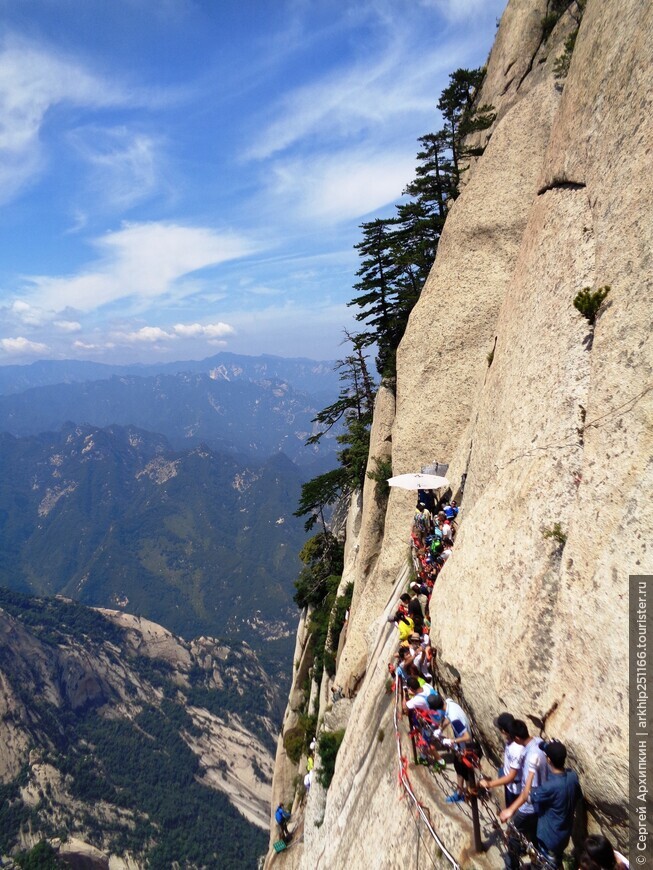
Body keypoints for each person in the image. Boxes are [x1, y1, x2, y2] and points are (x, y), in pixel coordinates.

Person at [499, 720, 549, 868]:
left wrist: (510, 810)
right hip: (541, 802)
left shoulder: (530, 759)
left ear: (517, 738)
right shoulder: (538, 742)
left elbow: (528, 793)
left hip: (530, 807)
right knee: (533, 836)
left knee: (513, 833)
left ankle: (512, 866)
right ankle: (536, 864)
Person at [530, 740, 582, 865]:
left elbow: (531, 795)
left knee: (548, 864)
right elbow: (578, 796)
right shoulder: (572, 776)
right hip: (563, 835)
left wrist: (532, 771)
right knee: (557, 860)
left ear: (548, 760)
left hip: (548, 837)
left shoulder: (549, 787)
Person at [429, 695, 474, 802]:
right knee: (458, 766)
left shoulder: (454, 718)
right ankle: (460, 792)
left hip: (464, 747)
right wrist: (440, 729)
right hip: (460, 745)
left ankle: (468, 796)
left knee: (465, 771)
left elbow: (466, 737)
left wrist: (451, 741)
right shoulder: (449, 702)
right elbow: (447, 718)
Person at [479, 712, 525, 807]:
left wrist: (489, 784)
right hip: (509, 783)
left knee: (514, 811)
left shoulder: (516, 748)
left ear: (503, 731)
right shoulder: (511, 740)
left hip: (515, 788)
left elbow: (511, 776)